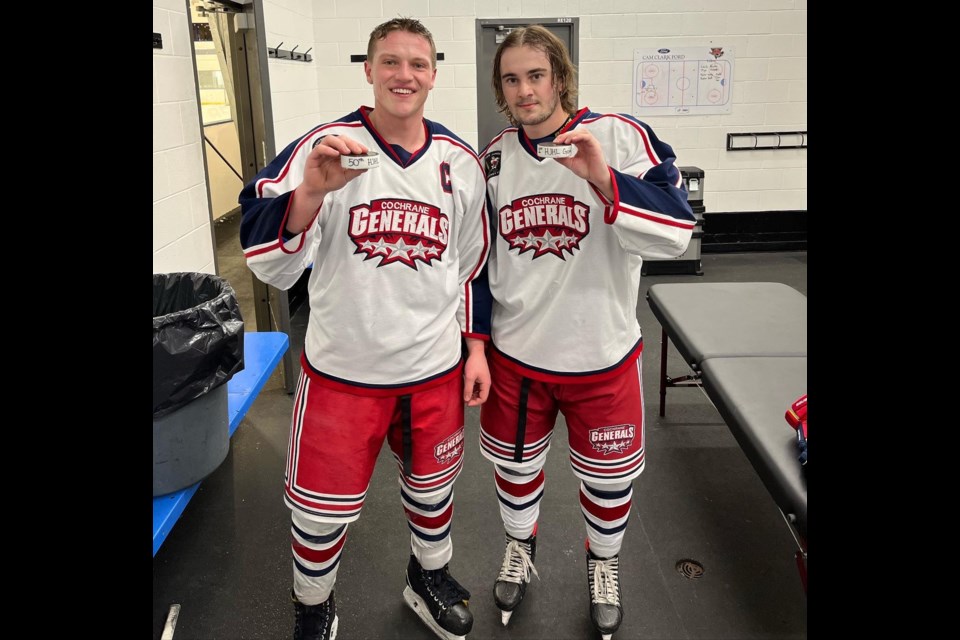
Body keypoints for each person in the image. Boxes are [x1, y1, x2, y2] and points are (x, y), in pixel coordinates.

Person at [239, 17, 491, 640]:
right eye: (391, 62)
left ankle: (426, 579)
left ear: (434, 72)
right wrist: (311, 195)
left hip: (433, 370)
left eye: (418, 63)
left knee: (433, 494)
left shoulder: (460, 161)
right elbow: (265, 255)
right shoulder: (324, 147)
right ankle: (313, 607)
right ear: (370, 69)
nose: (404, 75)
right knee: (318, 513)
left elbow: (471, 265)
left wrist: (476, 348)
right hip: (343, 375)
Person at [476, 25, 696, 640]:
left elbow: (678, 231)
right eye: (512, 79)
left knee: (608, 478)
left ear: (561, 77)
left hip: (601, 353)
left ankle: (604, 562)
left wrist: (603, 179)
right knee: (515, 471)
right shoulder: (493, 157)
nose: (525, 91)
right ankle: (521, 547)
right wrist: (477, 346)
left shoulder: (621, 136)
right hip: (518, 358)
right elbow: (480, 261)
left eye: (536, 76)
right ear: (501, 87)